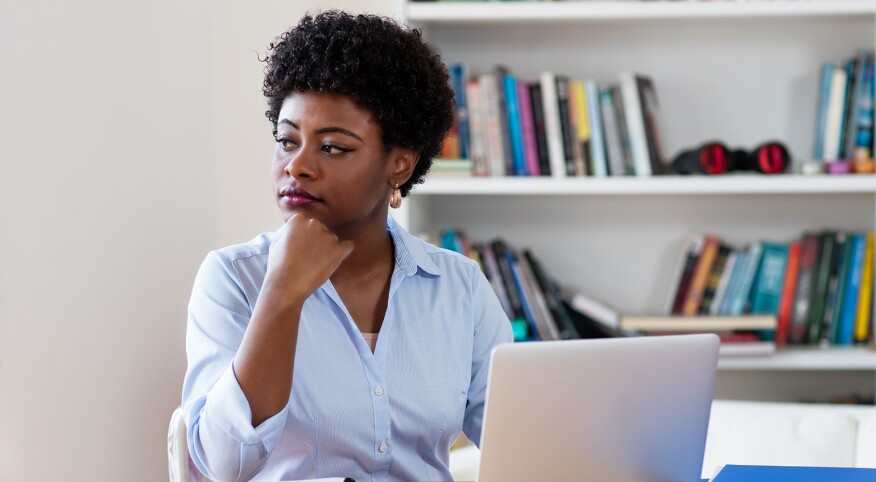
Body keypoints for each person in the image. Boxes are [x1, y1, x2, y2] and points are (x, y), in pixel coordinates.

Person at [182, 10, 513, 482]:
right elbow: (222, 465)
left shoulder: (458, 287)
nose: (297, 166)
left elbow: (518, 441)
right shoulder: (234, 279)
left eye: (332, 147)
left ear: (399, 164)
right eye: (286, 140)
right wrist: (281, 294)